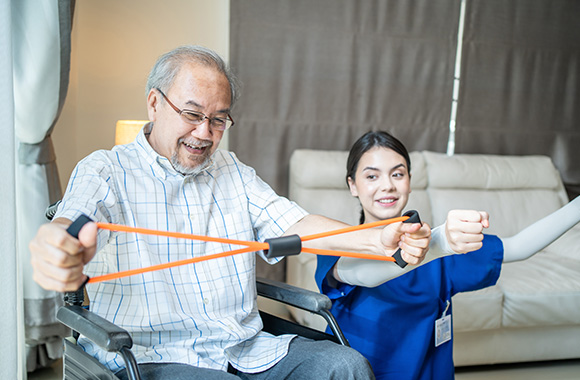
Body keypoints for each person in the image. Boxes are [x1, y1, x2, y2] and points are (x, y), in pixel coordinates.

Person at [28, 46, 433, 380]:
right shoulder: (105, 169)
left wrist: (376, 239)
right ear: (154, 103)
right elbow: (70, 223)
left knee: (345, 367)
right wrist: (58, 246)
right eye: (192, 114)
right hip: (151, 357)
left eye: (218, 120)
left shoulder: (233, 172)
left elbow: (295, 224)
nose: (205, 133)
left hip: (244, 349)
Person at [314, 131, 580, 380]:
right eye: (372, 176)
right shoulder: (337, 243)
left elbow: (519, 247)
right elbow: (362, 274)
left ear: (409, 181)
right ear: (353, 185)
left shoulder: (443, 245)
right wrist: (437, 244)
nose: (387, 186)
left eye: (398, 174)